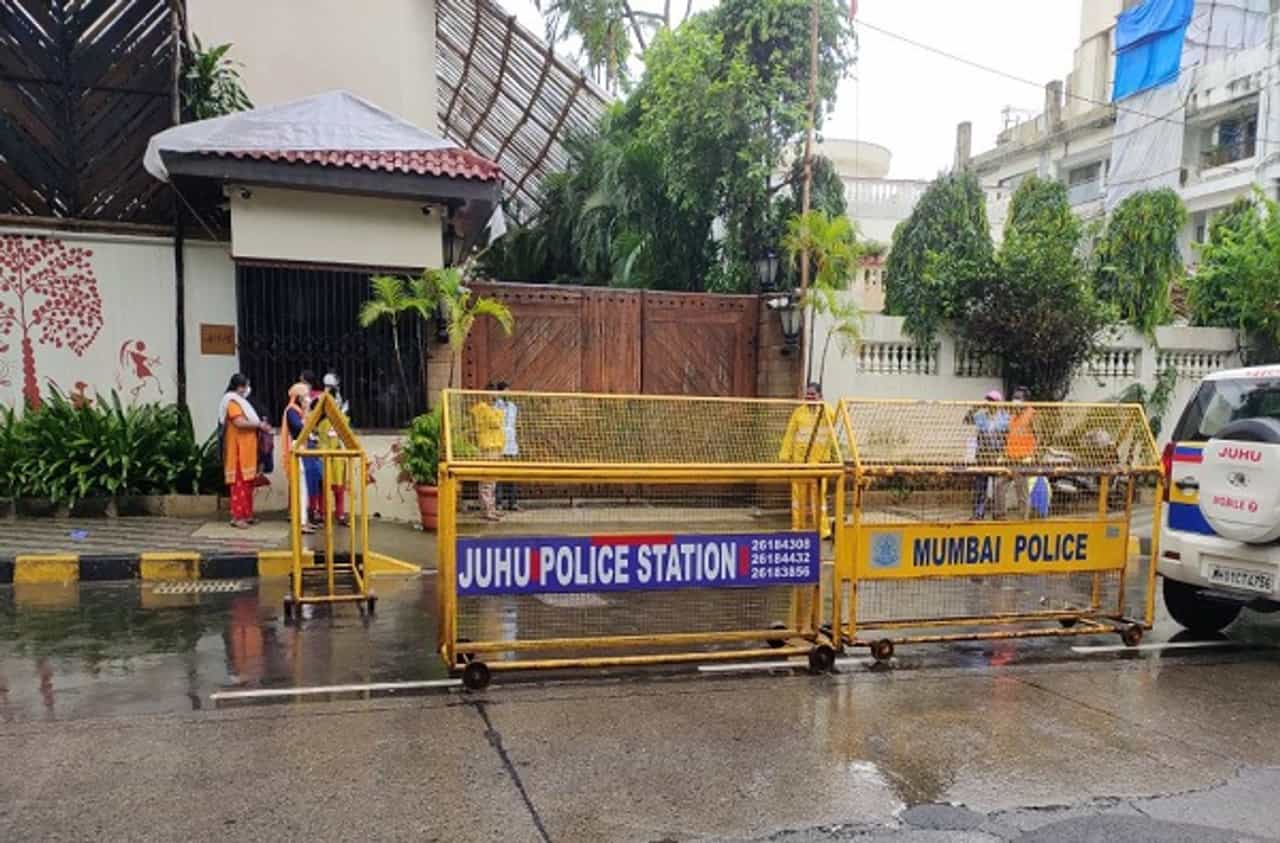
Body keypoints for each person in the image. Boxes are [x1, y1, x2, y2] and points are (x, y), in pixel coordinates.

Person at [778, 382, 832, 539]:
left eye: (812, 394)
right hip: (800, 462)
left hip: (820, 463)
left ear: (820, 396)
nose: (809, 397)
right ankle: (798, 528)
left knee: (819, 499)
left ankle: (822, 529)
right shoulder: (798, 413)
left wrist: (823, 406)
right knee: (798, 498)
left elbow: (836, 419)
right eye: (807, 394)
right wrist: (785, 456)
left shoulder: (826, 412)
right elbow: (789, 435)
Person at [218, 374, 271, 529]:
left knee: (248, 484)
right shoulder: (231, 401)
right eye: (244, 386)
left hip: (247, 449)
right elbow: (239, 422)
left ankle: (247, 515)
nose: (246, 389)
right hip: (237, 450)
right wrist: (258, 425)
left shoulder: (242, 402)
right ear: (238, 387)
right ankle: (237, 517)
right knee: (239, 485)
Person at [281, 382, 322, 533]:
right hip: (299, 451)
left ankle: (306, 520)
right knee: (301, 487)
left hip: (307, 451)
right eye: (305, 396)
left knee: (308, 486)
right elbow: (299, 428)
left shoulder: (302, 412)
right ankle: (301, 522)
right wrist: (307, 415)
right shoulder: (292, 410)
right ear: (298, 398)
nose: (307, 399)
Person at [967, 389, 1010, 520]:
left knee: (998, 487)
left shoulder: (1004, 418)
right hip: (983, 456)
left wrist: (1004, 455)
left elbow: (1007, 438)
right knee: (980, 486)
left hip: (998, 457)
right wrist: (977, 406)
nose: (990, 403)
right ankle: (978, 514)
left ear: (998, 403)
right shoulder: (980, 416)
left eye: (992, 401)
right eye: (988, 400)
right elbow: (967, 419)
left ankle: (998, 514)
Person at [470, 383, 506, 521]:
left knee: (493, 480)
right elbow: (495, 422)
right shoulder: (482, 408)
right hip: (487, 446)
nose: (495, 396)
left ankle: (491, 507)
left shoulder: (492, 408)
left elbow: (499, 421)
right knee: (486, 480)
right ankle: (486, 510)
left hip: (496, 446)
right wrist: (498, 413)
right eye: (493, 393)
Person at [320, 372, 351, 525]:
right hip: (325, 452)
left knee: (339, 486)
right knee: (324, 485)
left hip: (338, 452)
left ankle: (340, 514)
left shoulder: (342, 412)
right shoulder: (321, 406)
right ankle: (323, 513)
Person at [1005, 386, 1037, 519]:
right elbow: (1009, 437)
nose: (1015, 400)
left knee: (1022, 490)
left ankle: (1023, 518)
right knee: (999, 485)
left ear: (1026, 400)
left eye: (1019, 398)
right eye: (1014, 397)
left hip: (1023, 459)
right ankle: (999, 516)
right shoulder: (1013, 417)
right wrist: (1004, 454)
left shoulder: (1032, 414)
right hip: (1010, 458)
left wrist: (1032, 455)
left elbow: (1040, 436)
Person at [493, 381, 520, 512]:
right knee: (498, 475)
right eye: (505, 391)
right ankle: (498, 503)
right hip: (499, 443)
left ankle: (512, 502)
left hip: (511, 444)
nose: (508, 393)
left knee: (512, 474)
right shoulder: (495, 406)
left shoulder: (513, 407)